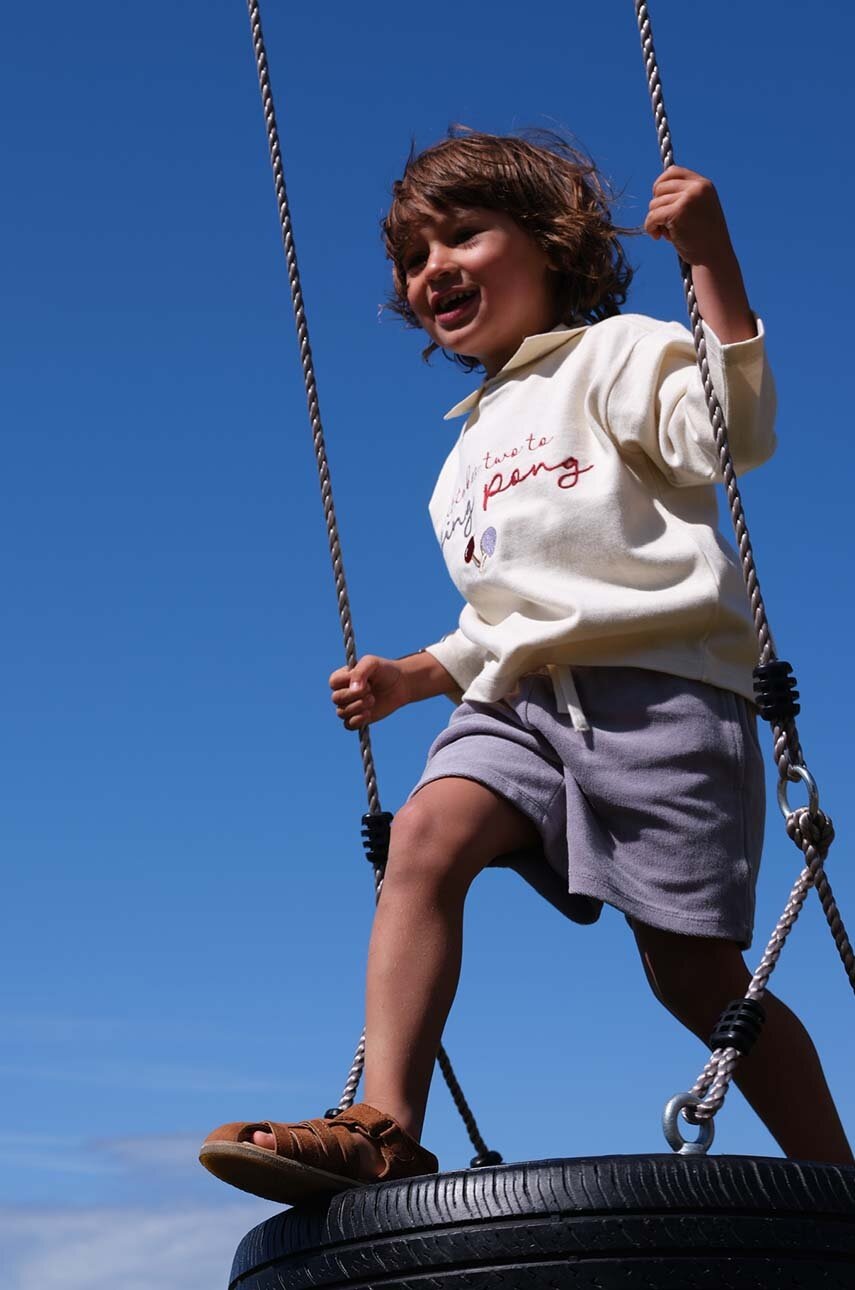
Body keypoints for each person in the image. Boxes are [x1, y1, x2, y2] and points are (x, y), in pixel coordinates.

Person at [199, 131, 853, 1203]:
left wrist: (712, 263)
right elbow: (503, 615)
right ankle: (384, 1124)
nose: (432, 271)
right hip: (520, 705)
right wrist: (416, 675)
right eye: (414, 259)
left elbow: (734, 434)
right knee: (426, 835)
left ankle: (834, 1179)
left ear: (551, 245)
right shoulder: (463, 453)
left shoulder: (622, 353)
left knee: (692, 977)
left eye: (462, 236)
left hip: (662, 693)